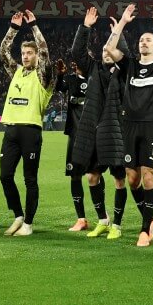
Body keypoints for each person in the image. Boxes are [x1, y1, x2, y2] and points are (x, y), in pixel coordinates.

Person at [106, 3, 153, 248]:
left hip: (150, 126)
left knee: (148, 174)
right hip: (129, 125)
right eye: (141, 40)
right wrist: (124, 21)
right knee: (132, 179)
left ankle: (145, 229)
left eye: (148, 40)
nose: (143, 42)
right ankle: (150, 218)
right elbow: (108, 48)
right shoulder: (131, 66)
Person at [69, 7, 129, 240]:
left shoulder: (123, 73)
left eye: (110, 48)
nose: (106, 51)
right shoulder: (93, 68)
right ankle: (103, 220)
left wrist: (119, 33)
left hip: (115, 134)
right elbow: (77, 52)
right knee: (92, 177)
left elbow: (125, 54)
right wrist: (85, 27)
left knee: (119, 179)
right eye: (103, 49)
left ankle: (118, 224)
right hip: (93, 134)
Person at [0, 10, 56, 237]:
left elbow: (46, 53)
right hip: (11, 130)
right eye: (23, 53)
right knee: (5, 176)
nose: (25, 56)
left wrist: (33, 26)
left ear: (36, 56)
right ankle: (18, 215)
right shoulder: (17, 72)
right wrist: (13, 28)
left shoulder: (43, 76)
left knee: (29, 179)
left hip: (31, 131)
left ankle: (29, 224)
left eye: (29, 53)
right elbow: (2, 52)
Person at [57, 55, 92, 232]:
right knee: (75, 176)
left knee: (94, 175)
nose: (76, 64)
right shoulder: (70, 80)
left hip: (93, 135)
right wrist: (60, 75)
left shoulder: (96, 79)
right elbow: (58, 87)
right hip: (74, 134)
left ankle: (103, 217)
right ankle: (81, 219)